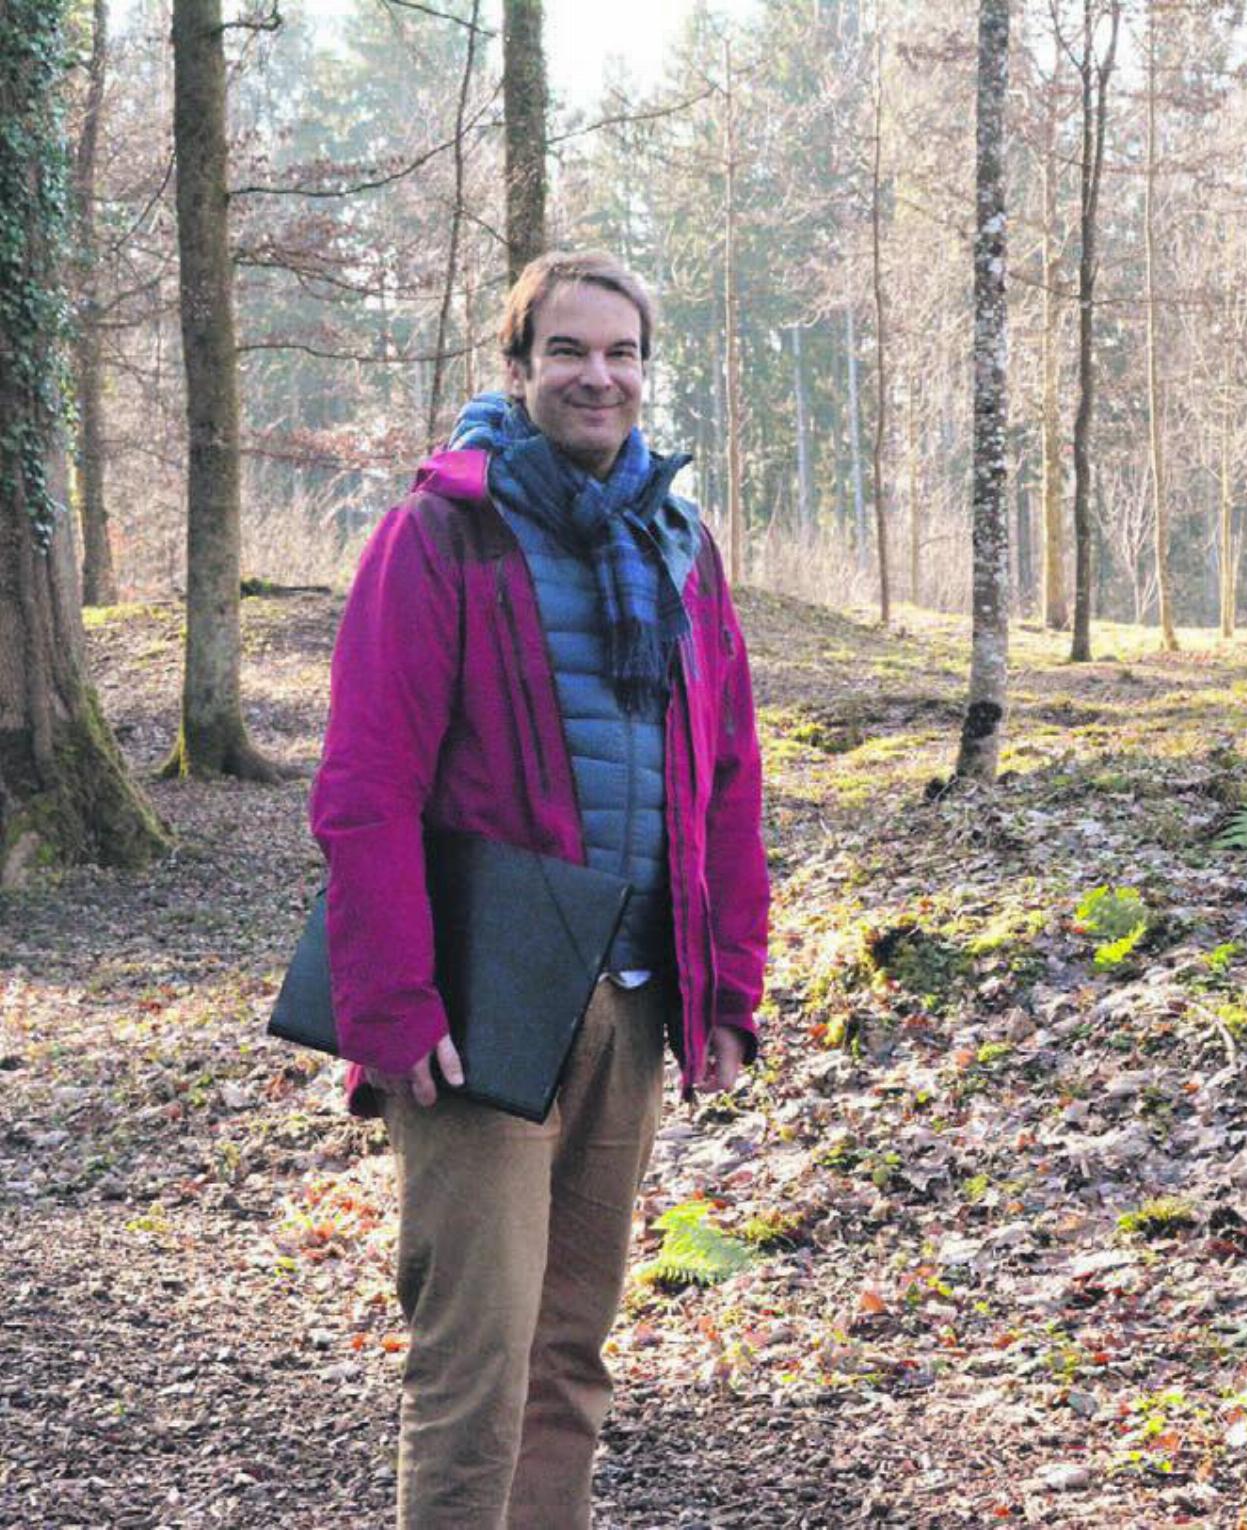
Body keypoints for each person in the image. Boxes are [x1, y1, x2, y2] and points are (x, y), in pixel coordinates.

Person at [310, 249, 769, 1528]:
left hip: (629, 998)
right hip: (483, 1010)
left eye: (621, 353)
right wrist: (391, 1006)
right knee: (478, 1365)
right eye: (567, 351)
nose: (598, 376)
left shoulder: (681, 549)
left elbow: (727, 776)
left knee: (571, 1356)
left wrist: (726, 987)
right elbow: (365, 788)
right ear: (516, 371)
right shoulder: (440, 535)